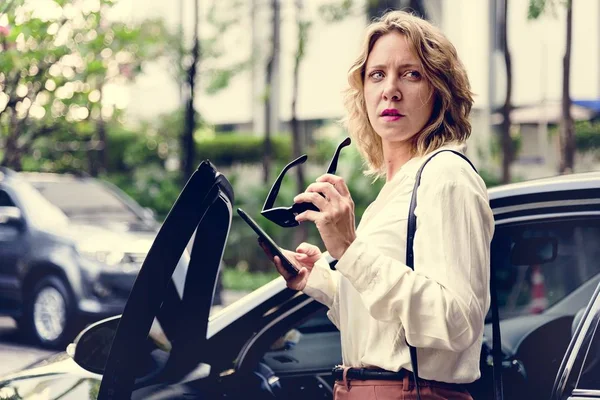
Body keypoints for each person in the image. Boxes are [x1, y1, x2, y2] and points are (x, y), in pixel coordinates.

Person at [260, 10, 494, 400]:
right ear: (363, 92)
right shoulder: (395, 190)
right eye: (377, 75)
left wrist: (351, 249)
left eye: (411, 73)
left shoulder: (446, 176)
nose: (391, 90)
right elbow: (390, 329)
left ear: (440, 89)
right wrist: (322, 282)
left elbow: (457, 323)